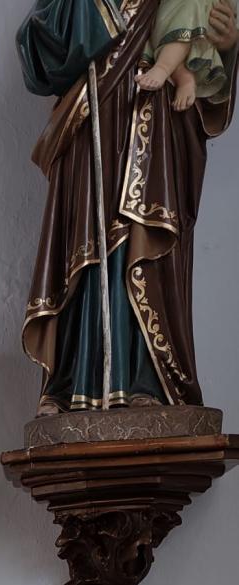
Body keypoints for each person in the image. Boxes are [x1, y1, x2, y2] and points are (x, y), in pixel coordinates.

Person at [17, 0, 237, 414]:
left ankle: (150, 382)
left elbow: (199, 27)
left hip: (158, 125)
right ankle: (71, 385)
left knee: (146, 237)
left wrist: (223, 43)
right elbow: (36, 48)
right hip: (92, 118)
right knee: (87, 241)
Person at [136, 0, 232, 109]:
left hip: (204, 22)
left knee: (190, 8)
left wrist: (232, 39)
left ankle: (167, 69)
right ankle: (177, 73)